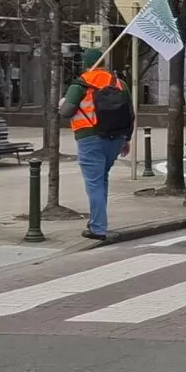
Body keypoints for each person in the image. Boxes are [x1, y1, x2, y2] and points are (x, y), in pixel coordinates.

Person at [58, 48, 135, 241]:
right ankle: (98, 220)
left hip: (89, 138)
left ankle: (98, 228)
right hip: (116, 139)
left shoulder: (81, 84)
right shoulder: (119, 83)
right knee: (102, 180)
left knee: (94, 184)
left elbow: (66, 112)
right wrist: (126, 139)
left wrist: (62, 104)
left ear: (85, 64)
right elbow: (130, 114)